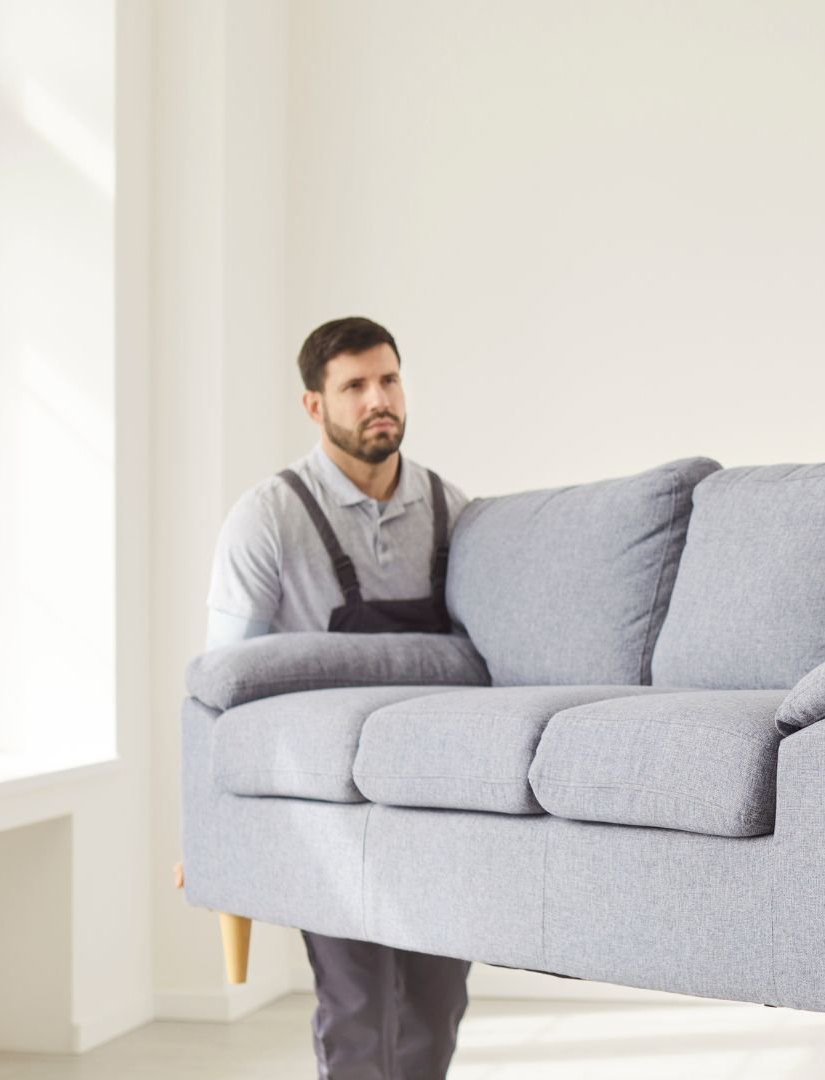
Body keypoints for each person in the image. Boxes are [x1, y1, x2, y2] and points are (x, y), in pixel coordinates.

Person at [203, 316, 473, 1080]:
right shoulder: (268, 517)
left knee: (434, 1006)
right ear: (315, 406)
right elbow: (220, 685)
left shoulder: (452, 509)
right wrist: (206, 822)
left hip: (438, 803)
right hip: (329, 807)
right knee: (358, 1011)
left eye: (388, 379)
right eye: (353, 386)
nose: (377, 398)